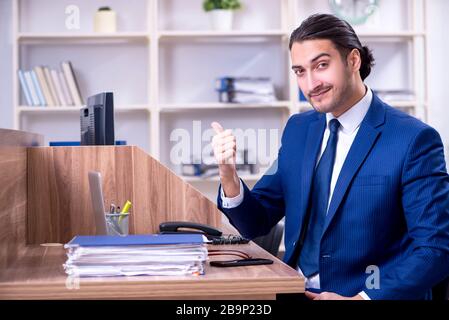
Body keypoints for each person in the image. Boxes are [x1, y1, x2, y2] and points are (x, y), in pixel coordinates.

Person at [210, 14, 449, 300]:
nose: (311, 84)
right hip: (293, 290)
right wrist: (229, 176)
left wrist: (362, 299)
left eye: (321, 65)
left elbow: (435, 248)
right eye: (300, 71)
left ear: (353, 61)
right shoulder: (299, 129)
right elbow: (257, 221)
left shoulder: (413, 139)